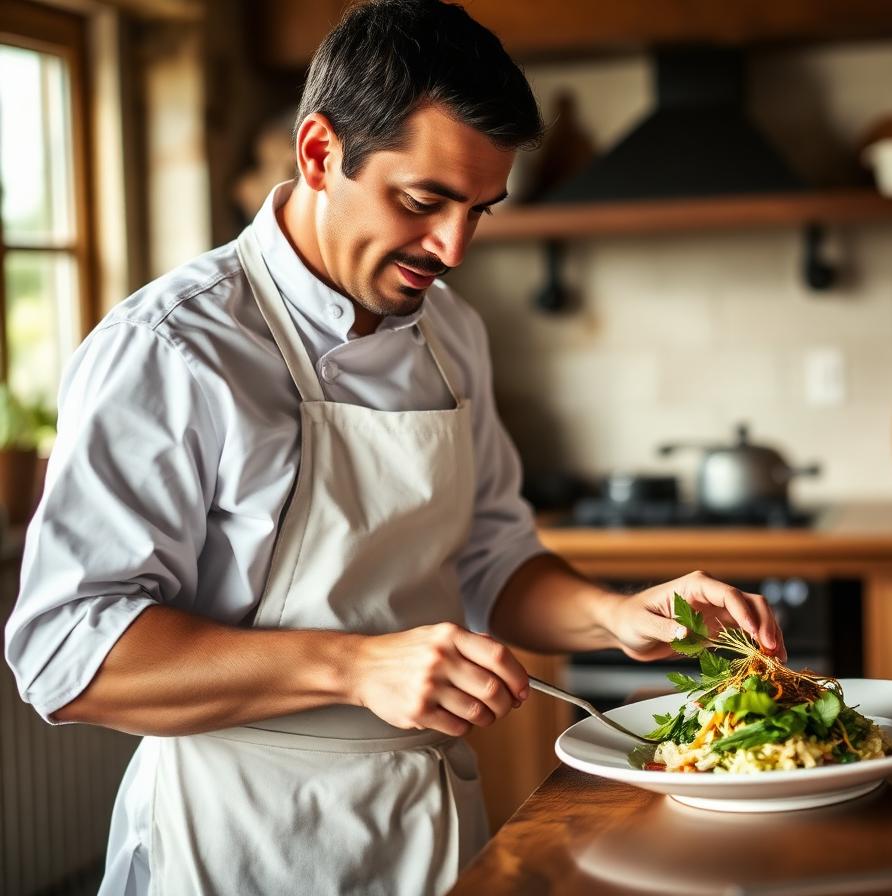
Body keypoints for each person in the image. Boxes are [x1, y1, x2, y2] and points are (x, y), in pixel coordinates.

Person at [3, 1, 786, 894]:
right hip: (239, 841)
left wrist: (614, 616)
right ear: (318, 153)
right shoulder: (173, 348)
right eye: (424, 201)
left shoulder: (451, 332)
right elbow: (66, 654)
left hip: (432, 828)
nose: (453, 247)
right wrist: (355, 664)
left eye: (480, 211)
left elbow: (493, 560)